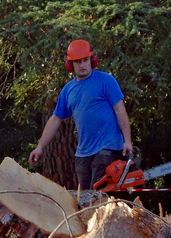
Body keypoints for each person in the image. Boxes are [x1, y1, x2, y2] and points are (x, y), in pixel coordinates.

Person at [29, 39, 133, 189]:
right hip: (83, 152)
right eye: (77, 61)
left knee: (96, 194)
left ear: (92, 60)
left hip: (108, 146)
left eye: (85, 60)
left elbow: (120, 111)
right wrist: (40, 147)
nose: (82, 65)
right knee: (84, 196)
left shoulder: (106, 81)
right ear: (70, 64)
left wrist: (127, 141)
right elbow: (55, 119)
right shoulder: (67, 91)